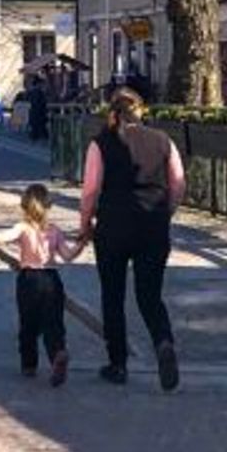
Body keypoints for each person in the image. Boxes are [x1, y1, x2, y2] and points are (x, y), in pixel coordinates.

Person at [78, 90, 183, 388]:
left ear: (113, 113)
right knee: (150, 294)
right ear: (141, 111)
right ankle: (163, 341)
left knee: (113, 296)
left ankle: (118, 363)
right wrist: (166, 211)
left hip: (113, 226)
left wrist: (86, 224)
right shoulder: (163, 141)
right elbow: (177, 182)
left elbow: (90, 190)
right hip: (153, 225)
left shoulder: (101, 144)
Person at [0, 181, 80, 385]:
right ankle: (57, 353)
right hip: (52, 280)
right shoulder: (54, 231)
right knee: (53, 324)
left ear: (25, 206)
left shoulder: (23, 228)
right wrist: (83, 242)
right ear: (48, 207)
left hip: (29, 280)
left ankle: (29, 365)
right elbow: (68, 255)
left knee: (28, 325)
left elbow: (2, 238)